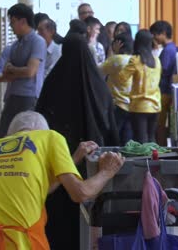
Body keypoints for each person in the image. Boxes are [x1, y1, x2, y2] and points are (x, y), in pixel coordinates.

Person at [0, 111, 124, 249]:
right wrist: (107, 171)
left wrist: (72, 159)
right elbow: (81, 193)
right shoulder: (50, 137)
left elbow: (37, 188)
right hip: (19, 242)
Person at [35, 33, 119, 250]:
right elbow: (110, 123)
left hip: (59, 164)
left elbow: (40, 122)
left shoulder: (53, 83)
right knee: (92, 212)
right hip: (93, 160)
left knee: (59, 217)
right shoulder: (99, 86)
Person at [0, 3, 47, 139]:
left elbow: (30, 71)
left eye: (12, 22)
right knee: (3, 134)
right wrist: (12, 72)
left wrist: (12, 69)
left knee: (24, 137)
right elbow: (1, 74)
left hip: (28, 96)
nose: (10, 27)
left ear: (23, 21)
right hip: (12, 94)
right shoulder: (15, 45)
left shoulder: (37, 41)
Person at [119, 29, 162, 143]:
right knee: (151, 139)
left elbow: (122, 77)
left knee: (140, 140)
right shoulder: (157, 61)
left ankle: (143, 161)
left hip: (139, 106)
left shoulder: (135, 60)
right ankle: (154, 161)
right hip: (155, 105)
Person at [149, 20, 178, 146]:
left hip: (164, 92)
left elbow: (162, 70)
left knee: (160, 124)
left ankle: (160, 146)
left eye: (154, 34)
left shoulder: (168, 51)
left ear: (162, 33)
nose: (153, 38)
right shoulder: (174, 48)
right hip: (169, 90)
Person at [101, 33, 134, 145]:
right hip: (132, 105)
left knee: (113, 138)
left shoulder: (116, 60)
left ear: (117, 45)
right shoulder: (135, 60)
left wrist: (112, 53)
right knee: (127, 138)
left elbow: (97, 71)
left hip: (117, 104)